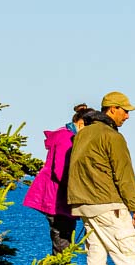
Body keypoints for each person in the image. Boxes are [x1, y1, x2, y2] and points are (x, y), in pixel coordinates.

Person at [66, 90, 135, 265]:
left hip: (84, 205)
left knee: (96, 257)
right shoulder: (113, 137)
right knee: (129, 255)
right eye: (125, 110)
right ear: (112, 109)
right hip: (108, 204)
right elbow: (124, 175)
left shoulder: (82, 135)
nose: (127, 116)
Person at [23, 104, 94, 254]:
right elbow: (61, 170)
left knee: (63, 240)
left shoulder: (66, 135)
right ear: (81, 123)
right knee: (62, 242)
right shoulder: (66, 138)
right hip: (56, 198)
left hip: (57, 197)